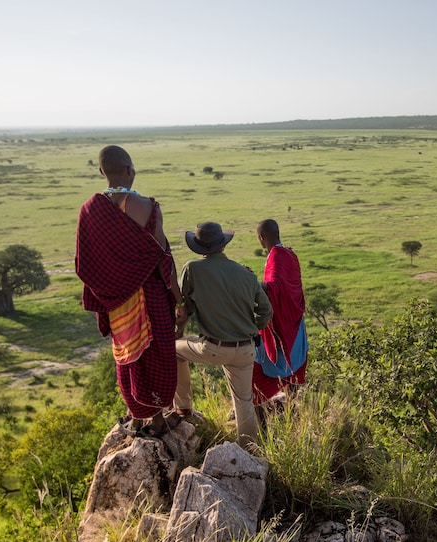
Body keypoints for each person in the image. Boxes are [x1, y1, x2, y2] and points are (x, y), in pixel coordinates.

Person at [75, 145, 188, 438]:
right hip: (150, 296)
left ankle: (138, 416)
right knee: (157, 353)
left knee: (128, 355)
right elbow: (163, 259)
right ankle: (158, 417)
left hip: (116, 302)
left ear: (102, 172)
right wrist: (179, 300)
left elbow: (85, 264)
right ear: (129, 170)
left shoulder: (88, 210)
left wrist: (109, 291)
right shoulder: (147, 206)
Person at [174, 222, 272, 450]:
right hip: (246, 348)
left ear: (199, 247)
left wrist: (179, 329)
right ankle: (248, 450)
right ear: (223, 245)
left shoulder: (192, 269)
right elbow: (266, 311)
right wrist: (249, 326)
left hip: (214, 348)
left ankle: (183, 408)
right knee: (244, 400)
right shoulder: (246, 274)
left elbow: (184, 306)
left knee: (174, 350)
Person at [252, 218, 308, 409]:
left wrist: (250, 281)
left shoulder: (276, 256)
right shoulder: (289, 253)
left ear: (261, 237)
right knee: (294, 365)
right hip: (294, 319)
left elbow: (275, 288)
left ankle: (260, 417)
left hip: (282, 322)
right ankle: (292, 410)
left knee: (255, 375)